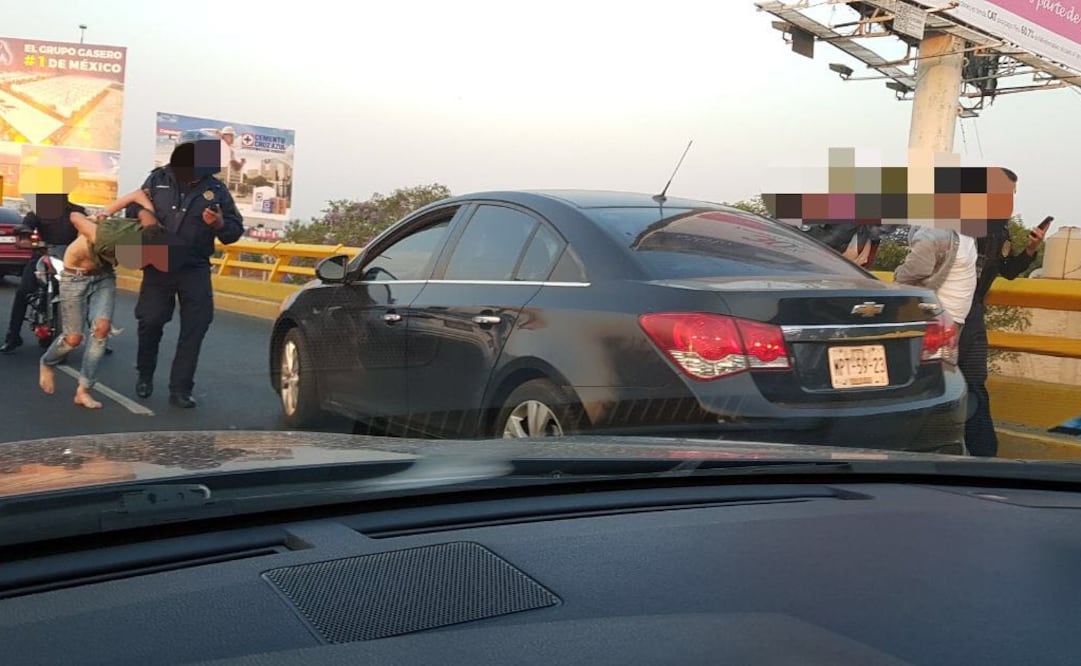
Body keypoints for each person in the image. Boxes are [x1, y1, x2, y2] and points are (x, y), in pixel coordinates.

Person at [128, 136, 244, 408]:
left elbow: (234, 231)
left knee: (196, 325)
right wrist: (145, 217)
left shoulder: (216, 190)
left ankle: (180, 389)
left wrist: (219, 223)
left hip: (195, 266)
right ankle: (145, 373)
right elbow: (132, 208)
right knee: (150, 321)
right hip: (158, 262)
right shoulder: (158, 179)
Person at [38, 189, 163, 409]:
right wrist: (94, 218)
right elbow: (74, 217)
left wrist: (147, 207)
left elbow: (137, 194)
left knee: (102, 329)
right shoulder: (104, 236)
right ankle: (47, 363)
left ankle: (83, 390)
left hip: (103, 277)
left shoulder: (147, 231)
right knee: (73, 339)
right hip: (74, 277)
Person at [960, 168, 1046, 457]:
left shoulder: (1000, 229)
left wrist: (1031, 249)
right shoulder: (962, 224)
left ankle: (983, 454)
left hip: (972, 312)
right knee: (947, 382)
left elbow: (1007, 271)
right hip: (950, 311)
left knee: (973, 381)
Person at [0, 194, 81, 353]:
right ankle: (13, 336)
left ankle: (99, 337)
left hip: (70, 259)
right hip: (42, 256)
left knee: (88, 291)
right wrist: (25, 233)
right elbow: (27, 224)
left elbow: (88, 230)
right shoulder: (40, 211)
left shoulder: (78, 212)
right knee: (23, 291)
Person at [893, 225, 978, 334]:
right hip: (956, 315)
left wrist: (897, 276)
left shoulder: (933, 232)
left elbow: (916, 270)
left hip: (932, 315)